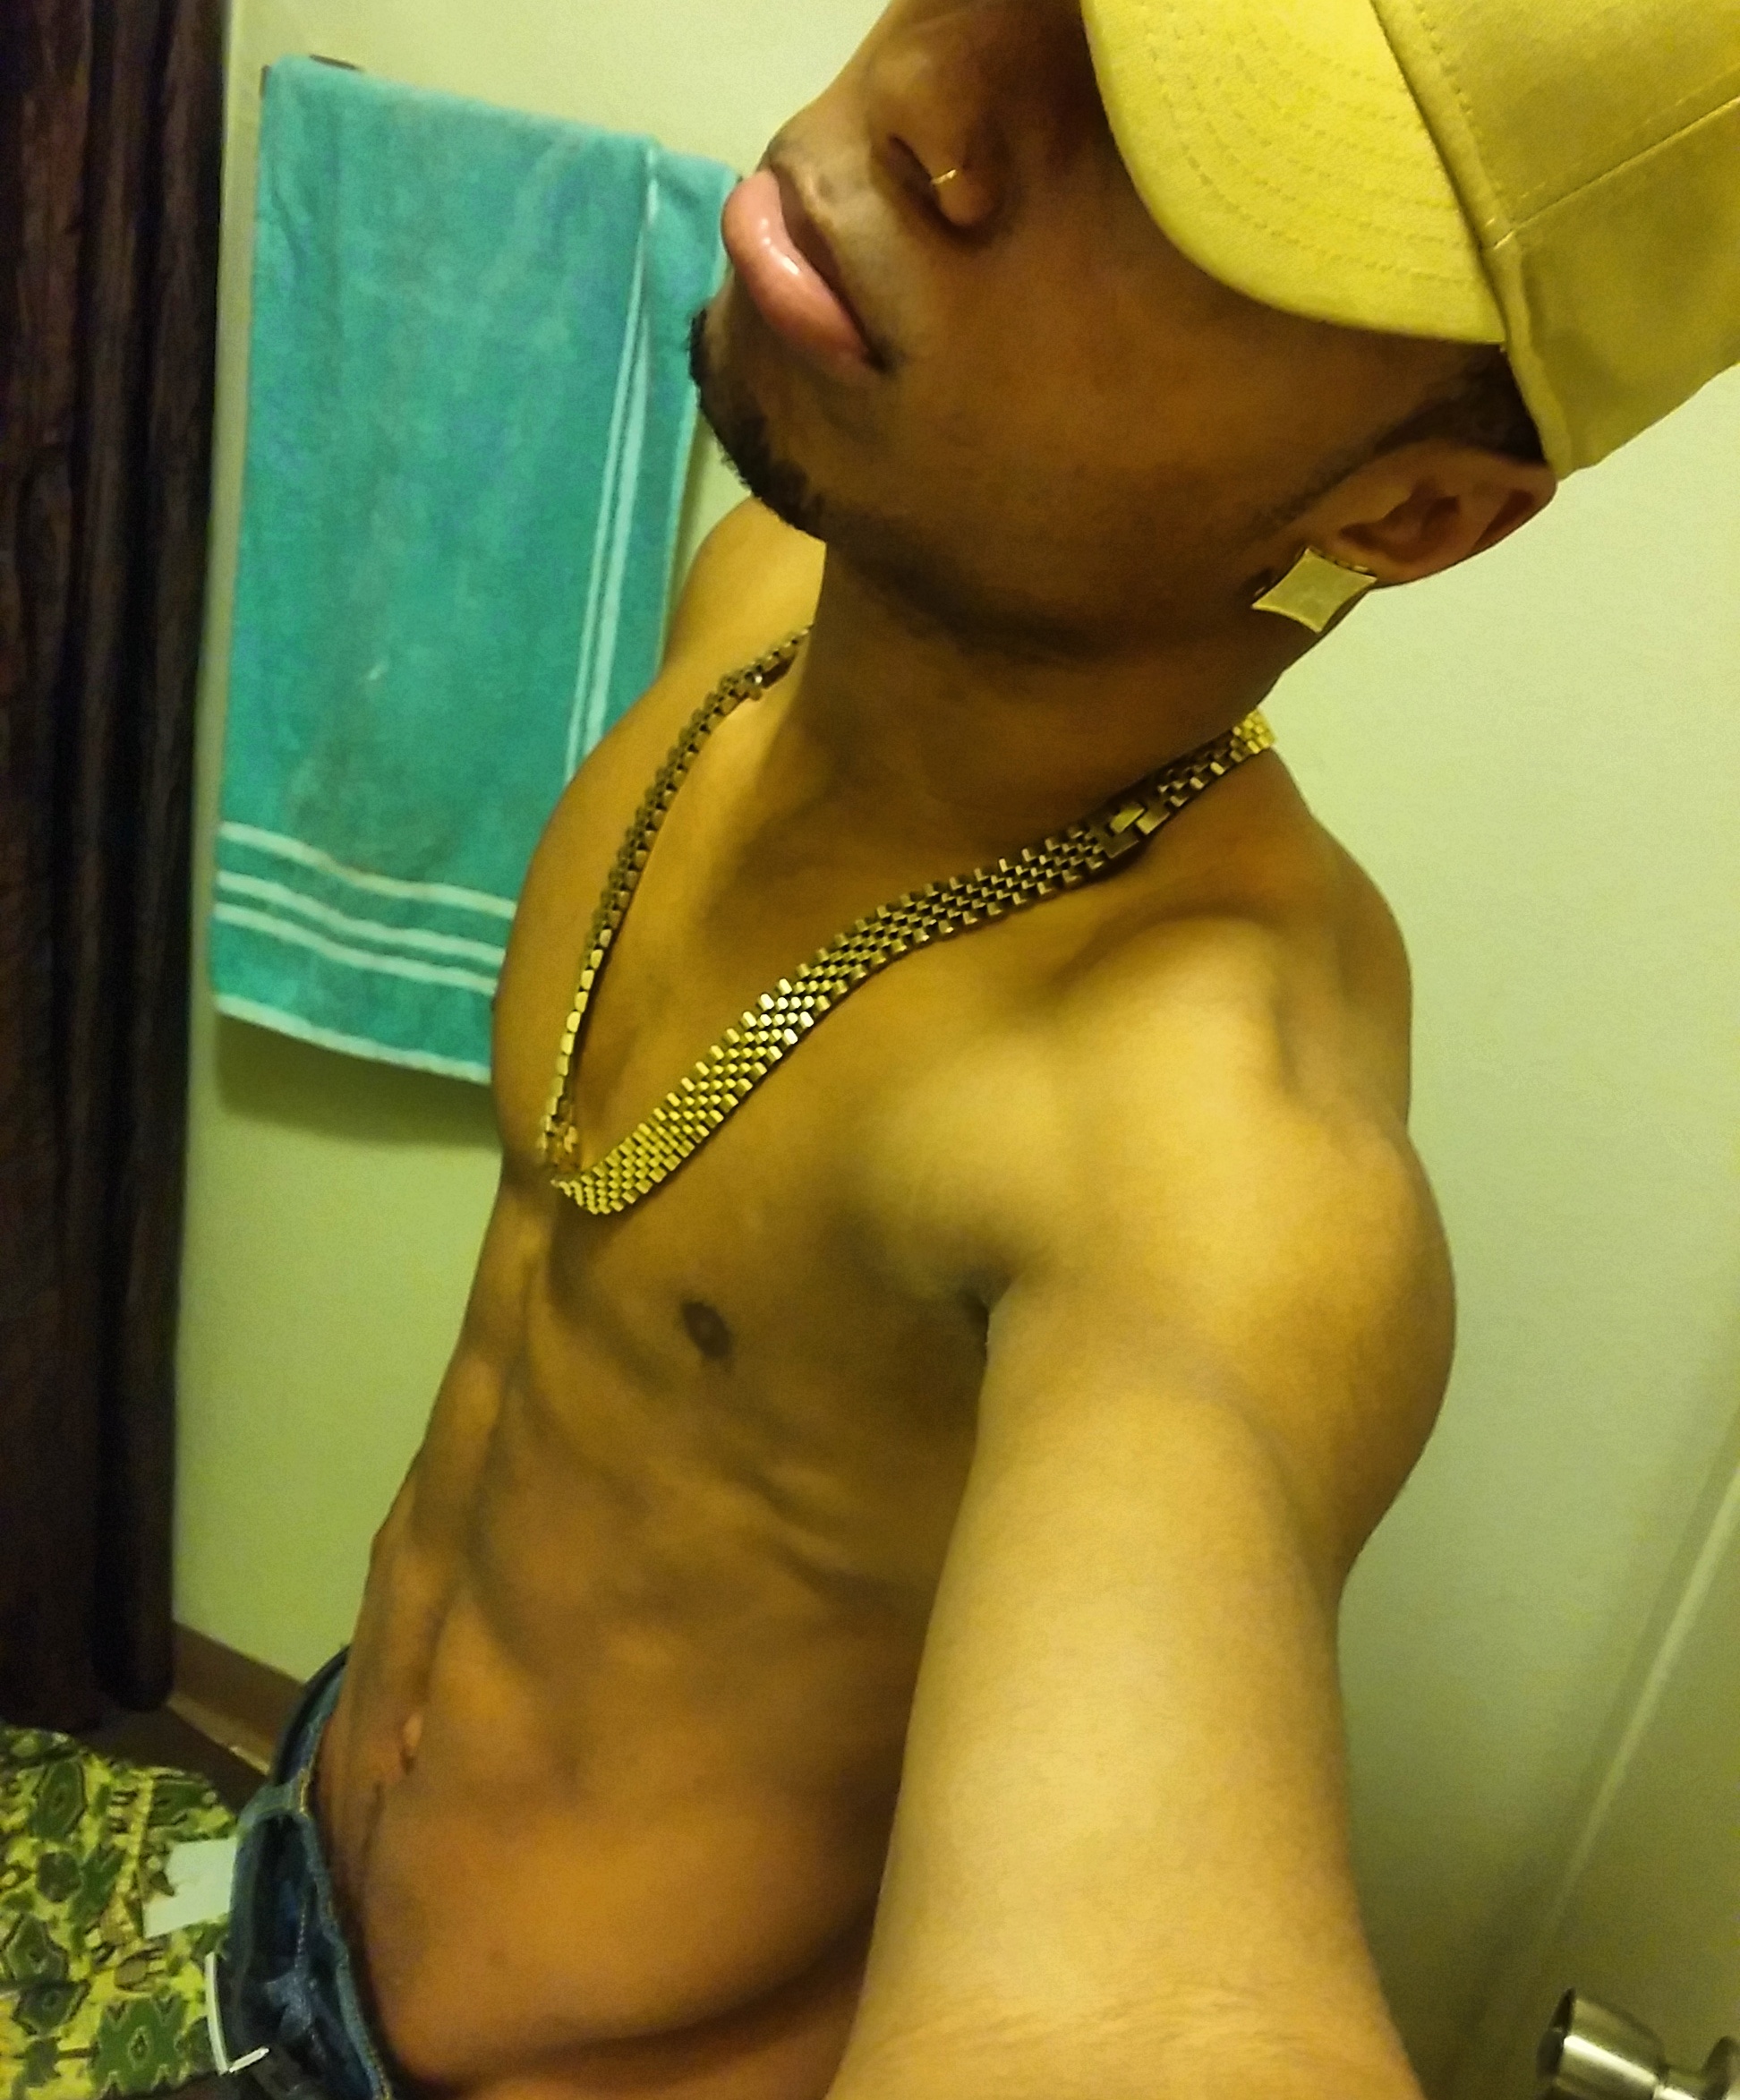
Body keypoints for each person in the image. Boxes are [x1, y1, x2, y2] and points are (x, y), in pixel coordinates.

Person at [218, 3, 1739, 2098]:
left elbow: (1147, 2015)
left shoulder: (1208, 1132)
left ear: (1410, 514)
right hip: (302, 1856)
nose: (926, 98)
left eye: (1187, 168)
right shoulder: (773, 578)